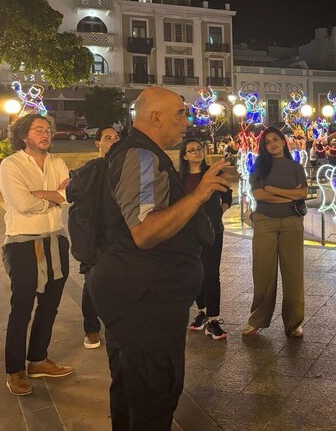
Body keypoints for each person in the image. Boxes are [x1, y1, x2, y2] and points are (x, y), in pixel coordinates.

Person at [87, 87, 231, 431]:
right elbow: (145, 231)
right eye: (180, 113)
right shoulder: (141, 157)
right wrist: (199, 194)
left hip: (138, 292)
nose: (187, 120)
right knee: (153, 391)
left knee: (132, 386)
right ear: (155, 117)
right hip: (144, 299)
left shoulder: (143, 154)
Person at [0, 113, 72, 396]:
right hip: (23, 244)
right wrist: (54, 197)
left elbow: (71, 195)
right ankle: (14, 370)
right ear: (23, 135)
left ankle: (38, 359)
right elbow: (22, 203)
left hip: (55, 239)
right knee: (22, 308)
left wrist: (45, 194)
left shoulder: (57, 162)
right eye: (39, 130)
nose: (45, 134)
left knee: (50, 304)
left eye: (48, 130)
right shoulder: (11, 165)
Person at [244, 127, 308, 337]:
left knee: (293, 273)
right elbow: (259, 194)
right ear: (264, 147)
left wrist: (275, 190)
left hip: (292, 222)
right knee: (263, 272)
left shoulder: (296, 166)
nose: (272, 144)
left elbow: (303, 193)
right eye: (268, 142)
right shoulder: (259, 167)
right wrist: (289, 197)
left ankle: (293, 322)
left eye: (275, 139)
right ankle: (258, 319)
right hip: (265, 222)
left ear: (283, 141)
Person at [180, 138, 233, 340]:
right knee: (194, 273)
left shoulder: (212, 173)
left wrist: (220, 211)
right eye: (191, 150)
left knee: (211, 273)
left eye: (198, 149)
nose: (195, 152)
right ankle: (201, 311)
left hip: (212, 230)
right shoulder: (180, 178)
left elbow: (227, 195)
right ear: (184, 156)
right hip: (188, 232)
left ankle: (213, 319)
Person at [77, 125, 119, 350]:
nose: (113, 141)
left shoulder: (124, 167)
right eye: (107, 138)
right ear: (98, 143)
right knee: (91, 283)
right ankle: (91, 329)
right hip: (96, 236)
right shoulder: (90, 169)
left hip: (119, 235)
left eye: (116, 137)